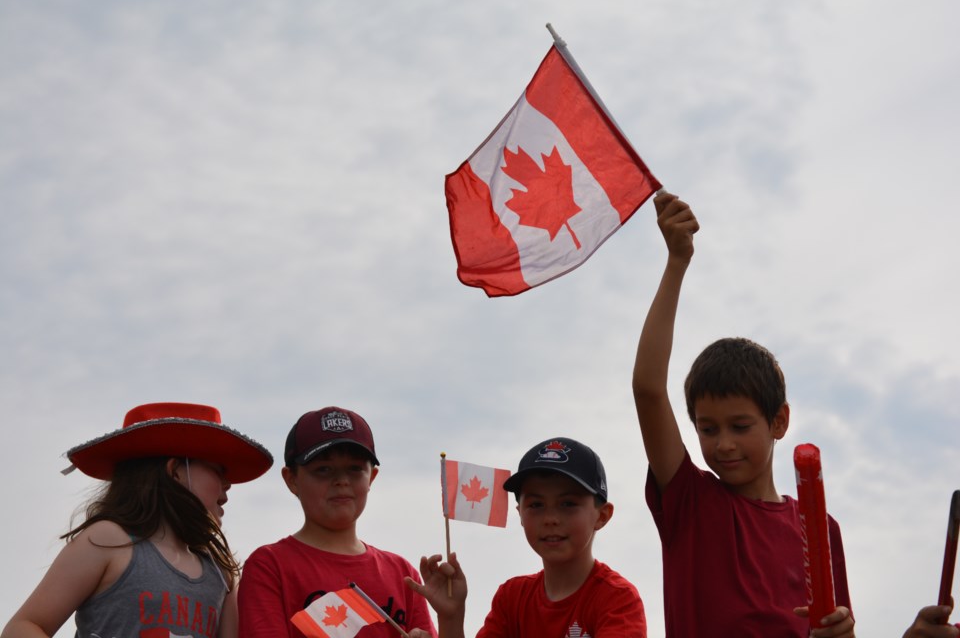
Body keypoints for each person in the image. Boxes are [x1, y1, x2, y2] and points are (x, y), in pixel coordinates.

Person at [631, 191, 855, 637]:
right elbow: (647, 389)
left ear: (779, 422)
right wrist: (677, 262)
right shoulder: (689, 502)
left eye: (740, 426)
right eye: (707, 428)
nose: (723, 443)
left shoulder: (821, 530)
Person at [1, 401, 274, 638]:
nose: (228, 483)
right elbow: (22, 627)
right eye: (217, 469)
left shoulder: (221, 571)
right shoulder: (107, 539)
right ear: (175, 471)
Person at [406, 436, 646, 638]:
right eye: (536, 505)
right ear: (520, 514)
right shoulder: (511, 597)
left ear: (602, 515)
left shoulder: (617, 600)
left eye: (568, 503)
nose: (550, 518)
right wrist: (451, 617)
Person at [237, 406, 437, 637]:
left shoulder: (403, 574)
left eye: (355, 469)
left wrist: (452, 617)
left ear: (372, 477)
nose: (341, 480)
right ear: (291, 479)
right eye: (323, 469)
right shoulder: (269, 566)